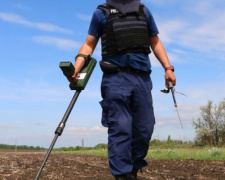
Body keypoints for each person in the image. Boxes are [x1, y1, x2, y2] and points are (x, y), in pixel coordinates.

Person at [67, 0, 176, 179]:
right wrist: (76, 68)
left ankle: (131, 168)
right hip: (115, 78)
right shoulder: (101, 13)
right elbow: (89, 44)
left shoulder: (143, 11)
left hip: (142, 78)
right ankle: (123, 175)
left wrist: (168, 68)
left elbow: (155, 41)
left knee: (145, 128)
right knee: (121, 127)